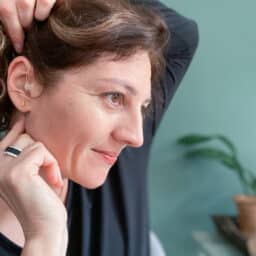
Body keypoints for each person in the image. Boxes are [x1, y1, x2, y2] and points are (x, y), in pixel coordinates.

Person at [0, 0, 199, 255]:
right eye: (114, 97)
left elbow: (181, 37)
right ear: (24, 83)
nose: (135, 137)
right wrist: (45, 238)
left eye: (143, 107)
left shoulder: (112, 161)